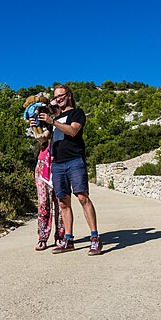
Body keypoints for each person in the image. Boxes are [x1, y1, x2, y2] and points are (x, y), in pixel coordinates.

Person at [38, 85, 102, 255]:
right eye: (55, 97)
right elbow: (44, 139)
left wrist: (53, 122)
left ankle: (95, 238)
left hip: (74, 160)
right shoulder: (55, 119)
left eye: (61, 96)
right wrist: (35, 127)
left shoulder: (76, 113)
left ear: (69, 95)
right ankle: (69, 240)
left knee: (82, 197)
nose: (58, 99)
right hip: (57, 164)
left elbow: (73, 131)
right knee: (63, 202)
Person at [31, 99, 65, 251]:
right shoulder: (44, 125)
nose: (50, 109)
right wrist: (34, 127)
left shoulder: (63, 122)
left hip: (59, 163)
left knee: (60, 202)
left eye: (54, 106)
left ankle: (61, 236)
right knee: (43, 202)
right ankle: (42, 237)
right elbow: (42, 138)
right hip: (43, 164)